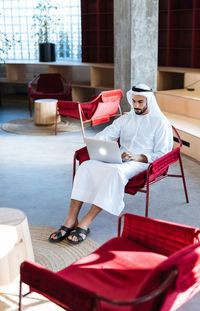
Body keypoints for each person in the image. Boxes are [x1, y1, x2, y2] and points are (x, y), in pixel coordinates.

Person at [49, 83, 173, 245]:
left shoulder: (160, 123)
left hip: (141, 162)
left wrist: (137, 157)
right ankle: (71, 219)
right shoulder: (126, 119)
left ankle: (86, 221)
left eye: (140, 102)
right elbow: (107, 134)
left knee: (115, 173)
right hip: (119, 156)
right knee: (86, 166)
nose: (136, 105)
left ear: (149, 101)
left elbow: (162, 153)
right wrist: (97, 142)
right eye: (133, 101)